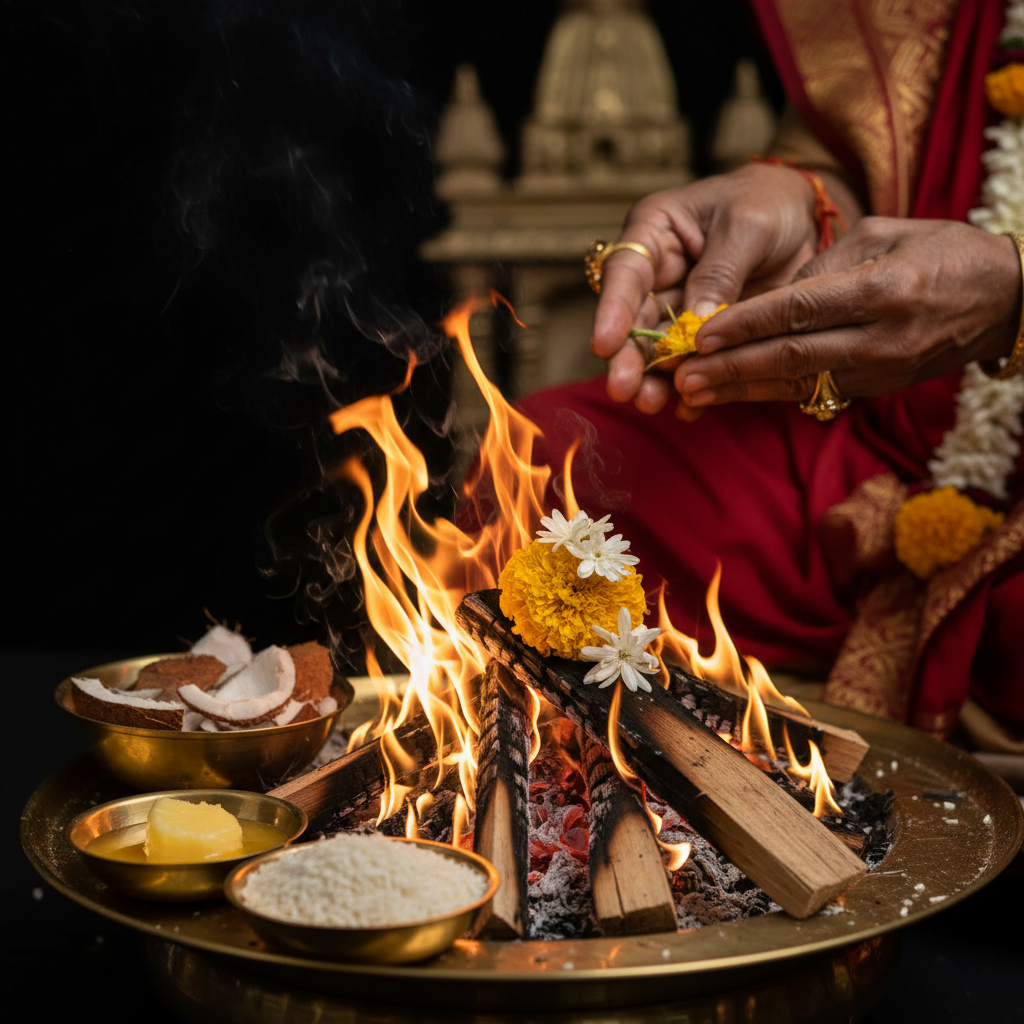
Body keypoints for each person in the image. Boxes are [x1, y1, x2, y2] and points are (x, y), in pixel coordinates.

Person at [516, 0, 1023, 745]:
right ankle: (568, 798)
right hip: (891, 418)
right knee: (552, 455)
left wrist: (1011, 298)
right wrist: (806, 205)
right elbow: (874, 149)